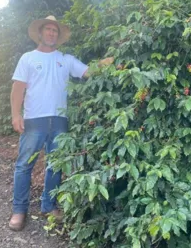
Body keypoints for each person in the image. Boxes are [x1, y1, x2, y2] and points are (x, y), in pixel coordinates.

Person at [9, 15, 113, 231]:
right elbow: (18, 88)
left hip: (59, 121)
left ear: (58, 35)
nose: (51, 33)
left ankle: (49, 206)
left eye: (54, 31)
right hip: (33, 120)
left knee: (55, 166)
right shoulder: (28, 58)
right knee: (24, 166)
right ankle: (19, 210)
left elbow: (89, 71)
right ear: (40, 33)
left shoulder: (65, 59)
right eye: (48, 29)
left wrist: (114, 59)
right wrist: (15, 115)